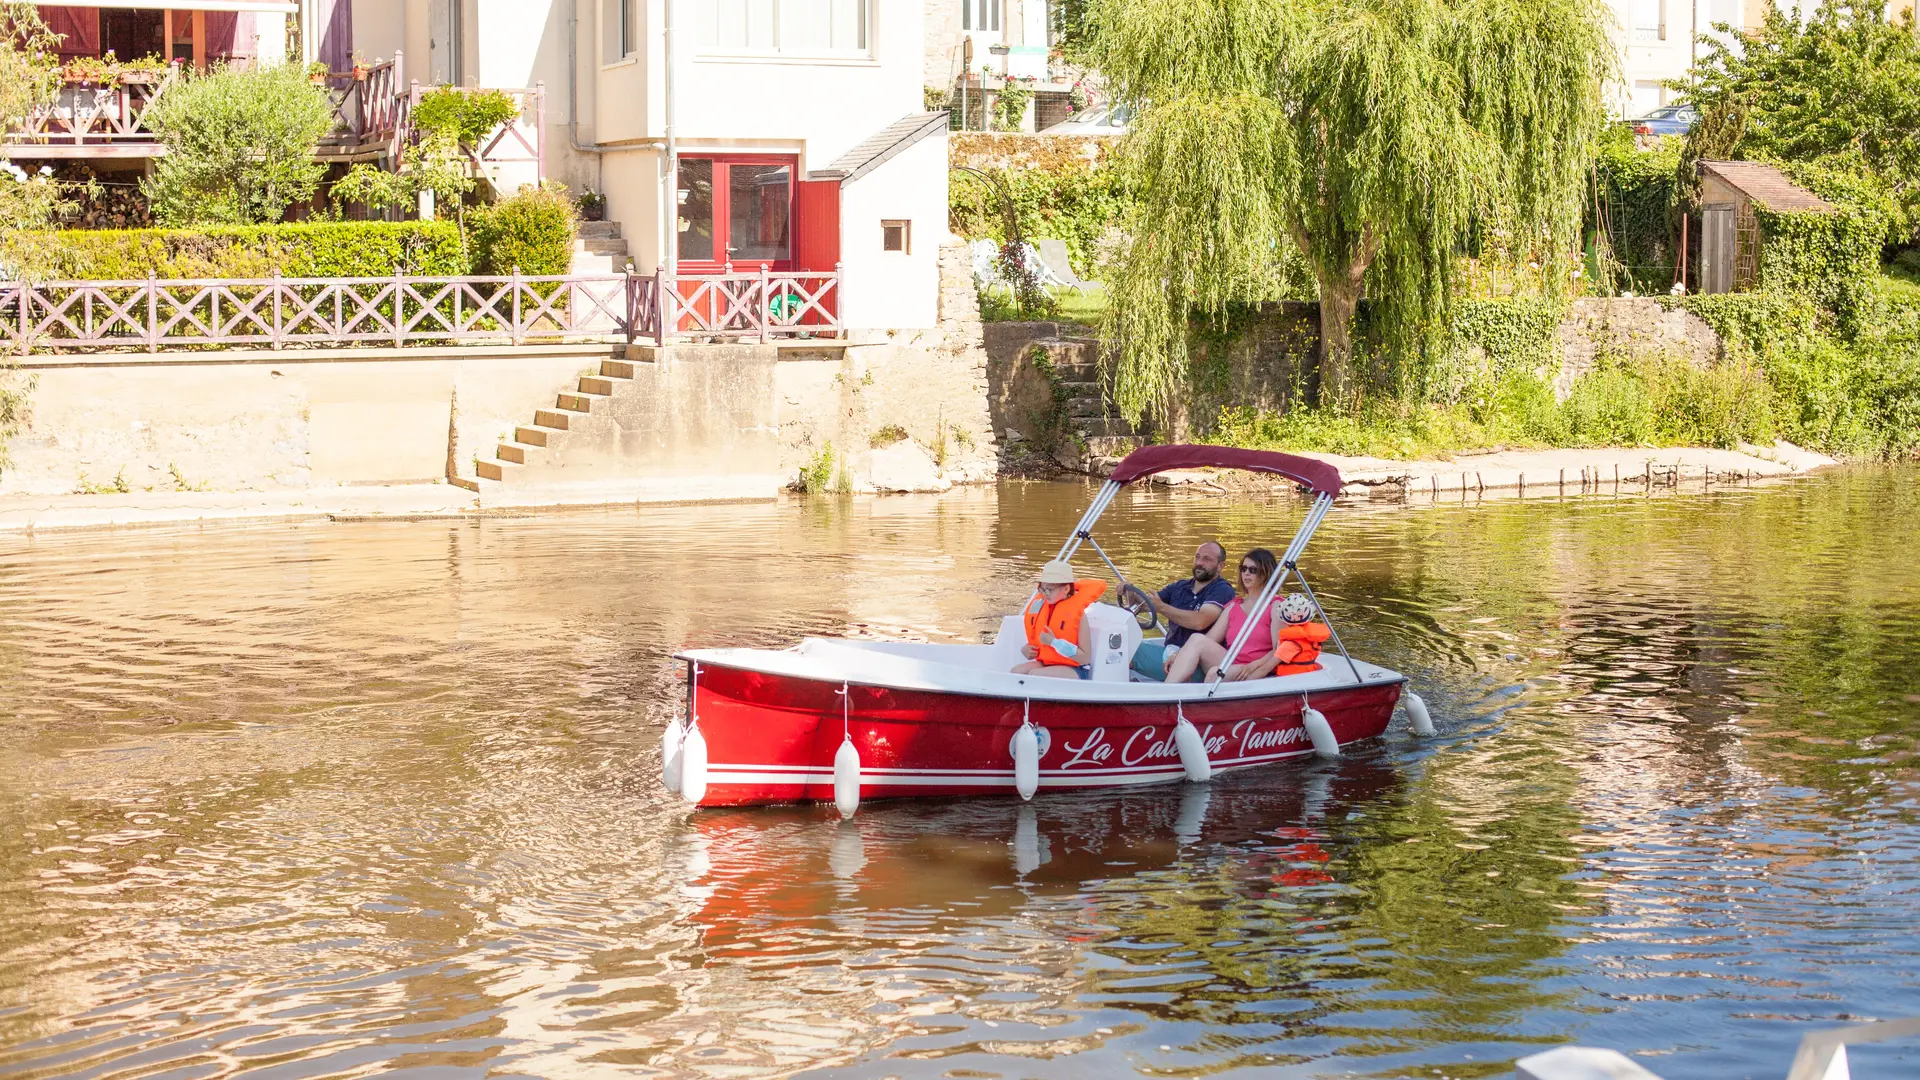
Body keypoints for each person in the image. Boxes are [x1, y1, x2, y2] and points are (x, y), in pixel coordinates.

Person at [1164, 548, 1292, 684]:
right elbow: (1209, 638)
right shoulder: (1233, 606)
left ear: (1266, 573)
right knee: (1197, 639)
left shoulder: (1276, 606)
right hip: (1232, 661)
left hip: (1258, 667)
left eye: (1253, 570)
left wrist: (1257, 667)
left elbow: (1280, 649)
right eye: (1243, 569)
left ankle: (1187, 699)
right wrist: (1177, 655)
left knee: (1214, 674)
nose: (1246, 574)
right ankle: (1168, 690)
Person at [1130, 541, 1236, 682]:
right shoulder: (1181, 586)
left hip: (1195, 663)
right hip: (1170, 653)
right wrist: (1130, 592)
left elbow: (1200, 621)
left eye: (1206, 559)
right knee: (1122, 645)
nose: (1199, 562)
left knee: (1124, 653)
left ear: (1220, 566)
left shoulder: (1222, 590)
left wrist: (1162, 607)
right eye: (1197, 557)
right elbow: (1147, 604)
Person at [1012, 559, 1107, 679]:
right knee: (1016, 671)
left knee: (1035, 675)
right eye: (1042, 589)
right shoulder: (1040, 607)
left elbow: (1085, 658)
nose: (1045, 594)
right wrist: (1025, 650)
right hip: (1047, 663)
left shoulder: (1079, 616)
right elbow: (1037, 642)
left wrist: (1054, 642)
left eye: (1049, 589)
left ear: (1066, 589)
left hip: (1075, 669)